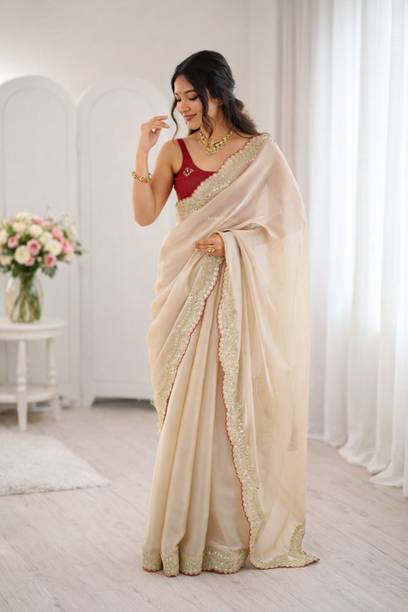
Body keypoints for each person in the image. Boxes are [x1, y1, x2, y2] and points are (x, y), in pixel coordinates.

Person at [132, 50, 320, 577]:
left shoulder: (260, 152)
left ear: (218, 93)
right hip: (186, 290)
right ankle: (184, 528)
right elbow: (146, 216)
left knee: (229, 403)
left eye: (192, 96)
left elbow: (287, 228)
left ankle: (230, 533)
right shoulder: (175, 151)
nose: (183, 107)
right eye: (178, 97)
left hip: (238, 295)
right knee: (187, 407)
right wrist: (142, 151)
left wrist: (233, 243)